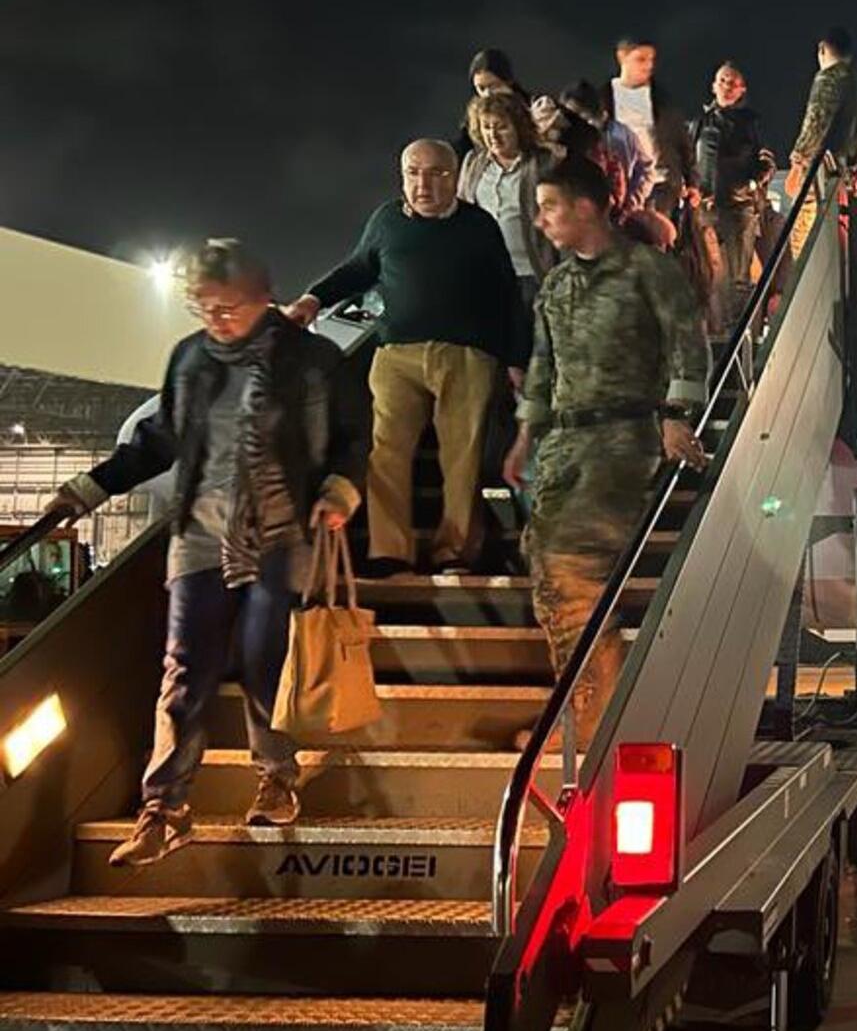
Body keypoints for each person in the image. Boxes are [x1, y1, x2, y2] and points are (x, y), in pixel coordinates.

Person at [44, 239, 368, 866]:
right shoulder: (192, 359)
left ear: (262, 299)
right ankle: (164, 807)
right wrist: (89, 489)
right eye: (203, 308)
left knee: (261, 652)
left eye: (227, 308)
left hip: (282, 526)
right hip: (200, 527)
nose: (215, 321)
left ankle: (276, 775)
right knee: (185, 665)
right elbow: (159, 436)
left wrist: (339, 488)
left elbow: (354, 434)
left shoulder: (314, 360)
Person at [503, 159, 708, 742]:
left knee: (574, 575)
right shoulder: (557, 285)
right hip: (565, 444)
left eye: (550, 207)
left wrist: (676, 417)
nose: (540, 221)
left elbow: (688, 348)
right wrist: (525, 435)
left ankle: (592, 723)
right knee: (549, 577)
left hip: (622, 439)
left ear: (587, 206)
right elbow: (544, 367)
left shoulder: (648, 271)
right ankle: (585, 707)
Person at [288, 140, 526, 576]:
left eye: (436, 173)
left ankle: (455, 551)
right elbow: (358, 267)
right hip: (397, 354)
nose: (424, 183)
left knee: (462, 455)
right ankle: (390, 551)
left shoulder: (479, 226)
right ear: (402, 176)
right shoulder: (386, 221)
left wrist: (515, 358)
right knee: (385, 451)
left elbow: (506, 294)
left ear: (455, 178)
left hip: (466, 356)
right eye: (414, 172)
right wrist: (312, 299)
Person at [687, 60, 775, 351]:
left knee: (739, 277)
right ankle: (713, 334)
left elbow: (767, 159)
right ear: (713, 85)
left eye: (732, 82)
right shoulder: (699, 124)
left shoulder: (751, 122)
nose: (726, 86)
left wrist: (754, 181)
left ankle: (739, 339)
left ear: (742, 89)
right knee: (708, 274)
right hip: (704, 210)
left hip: (739, 207)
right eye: (722, 80)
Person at [459, 92, 559, 317]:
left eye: (501, 126)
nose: (492, 135)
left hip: (530, 275)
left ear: (518, 127)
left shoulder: (543, 163)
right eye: (486, 127)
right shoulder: (474, 163)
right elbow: (462, 210)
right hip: (485, 275)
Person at [788, 26, 857, 258]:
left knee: (805, 252)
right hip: (844, 183)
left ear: (822, 50)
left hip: (818, 180)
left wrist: (797, 163)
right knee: (836, 254)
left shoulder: (829, 78)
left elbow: (816, 122)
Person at [558, 80, 667, 249]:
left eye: (581, 117)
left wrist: (632, 201)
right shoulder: (563, 141)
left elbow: (646, 169)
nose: (576, 124)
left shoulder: (622, 135)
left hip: (620, 218)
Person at [602, 37, 695, 229]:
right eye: (641, 59)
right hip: (621, 186)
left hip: (660, 184)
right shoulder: (605, 98)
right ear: (622, 58)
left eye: (651, 59)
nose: (648, 65)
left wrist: (692, 181)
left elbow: (682, 142)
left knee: (653, 240)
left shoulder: (662, 101)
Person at [453, 48, 530, 158]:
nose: (488, 94)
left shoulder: (531, 106)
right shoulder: (475, 112)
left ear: (508, 81)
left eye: (493, 86)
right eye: (481, 88)